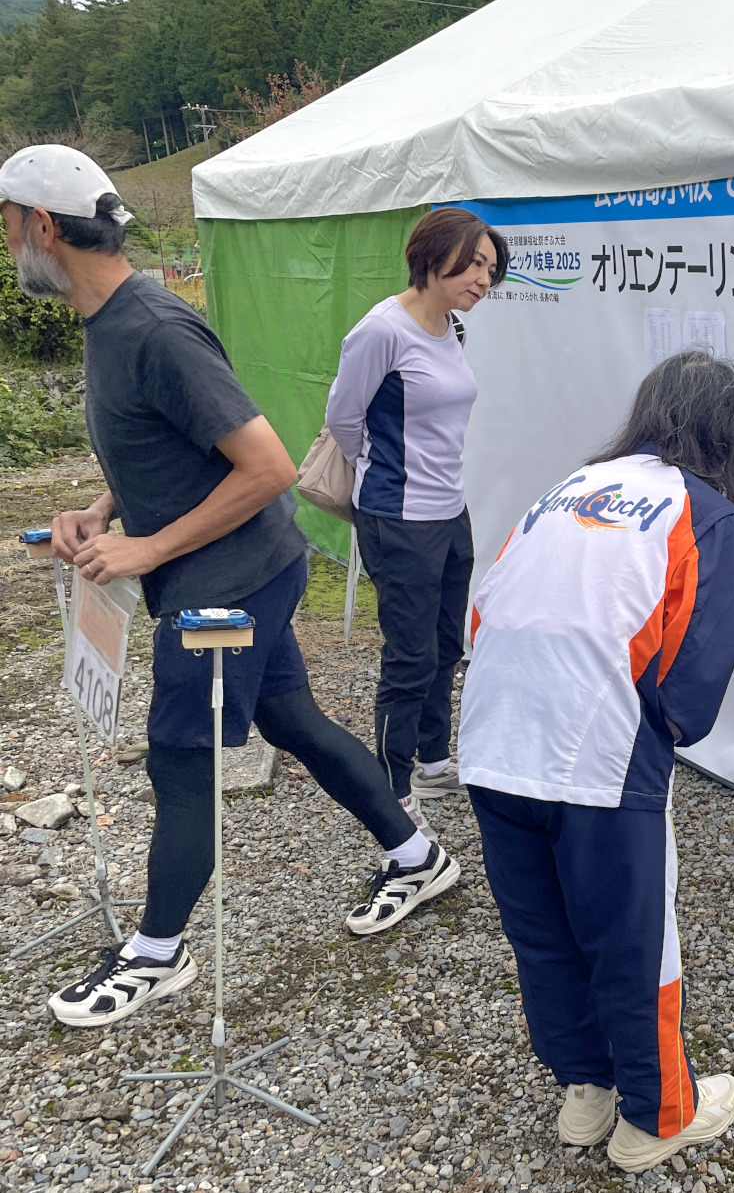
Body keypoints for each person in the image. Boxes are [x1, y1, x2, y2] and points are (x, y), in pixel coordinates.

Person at [7, 146, 460, 1029]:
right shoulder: (108, 320)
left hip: (228, 580)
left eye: (9, 223)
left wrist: (146, 549)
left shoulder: (154, 328)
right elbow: (172, 445)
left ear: (44, 226)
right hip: (234, 566)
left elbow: (268, 467)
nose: (8, 240)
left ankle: (157, 953)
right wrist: (103, 509)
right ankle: (416, 856)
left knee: (181, 756)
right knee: (291, 720)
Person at [457, 352, 734, 1171]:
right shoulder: (707, 513)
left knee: (543, 930)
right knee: (634, 941)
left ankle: (584, 1088)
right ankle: (656, 1116)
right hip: (598, 754)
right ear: (728, 435)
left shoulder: (569, 488)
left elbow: (486, 610)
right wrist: (661, 726)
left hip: (492, 735)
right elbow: (698, 672)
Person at [326, 208, 508, 837]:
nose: (484, 278)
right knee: (409, 656)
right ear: (432, 257)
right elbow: (344, 417)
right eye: (474, 263)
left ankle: (432, 760)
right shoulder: (382, 330)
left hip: (449, 511)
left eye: (490, 267)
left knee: (446, 643)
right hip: (398, 517)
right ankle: (392, 785)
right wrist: (379, 474)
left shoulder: (452, 328)